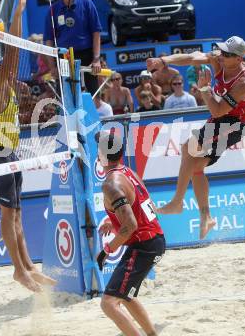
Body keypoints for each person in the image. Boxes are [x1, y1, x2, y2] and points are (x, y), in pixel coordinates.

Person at [0, 0, 56, 292]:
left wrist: (15, 21)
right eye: (0, 67)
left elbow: (11, 55)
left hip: (8, 153)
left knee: (18, 214)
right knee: (9, 214)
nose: (6, 68)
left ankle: (28, 267)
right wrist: (17, 15)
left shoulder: (6, 88)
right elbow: (13, 54)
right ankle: (17, 269)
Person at [147, 36, 245, 239]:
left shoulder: (244, 82)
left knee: (188, 148)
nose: (221, 55)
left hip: (232, 125)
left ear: (239, 59)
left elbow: (217, 110)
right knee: (195, 165)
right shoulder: (220, 59)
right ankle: (206, 217)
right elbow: (192, 57)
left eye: (227, 54)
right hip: (221, 122)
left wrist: (204, 88)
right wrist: (164, 61)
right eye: (221, 51)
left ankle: (177, 202)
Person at [95, 130, 165, 336]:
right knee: (125, 295)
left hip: (144, 245)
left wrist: (107, 249)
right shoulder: (128, 171)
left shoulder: (111, 184)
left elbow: (131, 225)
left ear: (102, 155)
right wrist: (114, 219)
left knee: (108, 303)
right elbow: (146, 204)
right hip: (153, 240)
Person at [43, 0, 102, 95]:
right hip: (64, 57)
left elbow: (96, 33)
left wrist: (96, 59)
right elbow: (48, 40)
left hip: (87, 56)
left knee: (93, 96)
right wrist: (52, 67)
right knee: (66, 98)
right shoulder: (53, 10)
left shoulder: (87, 4)